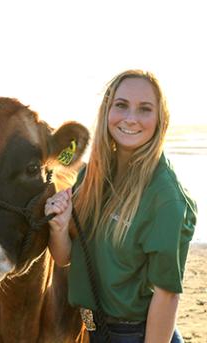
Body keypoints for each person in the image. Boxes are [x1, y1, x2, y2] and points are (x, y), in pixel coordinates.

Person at [45, 70, 196, 342]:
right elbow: (65, 257)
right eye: (121, 105)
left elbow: (167, 294)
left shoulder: (164, 197)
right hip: (91, 330)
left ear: (160, 119)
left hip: (136, 335)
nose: (130, 118)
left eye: (145, 109)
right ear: (107, 111)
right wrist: (59, 225)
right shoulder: (91, 176)